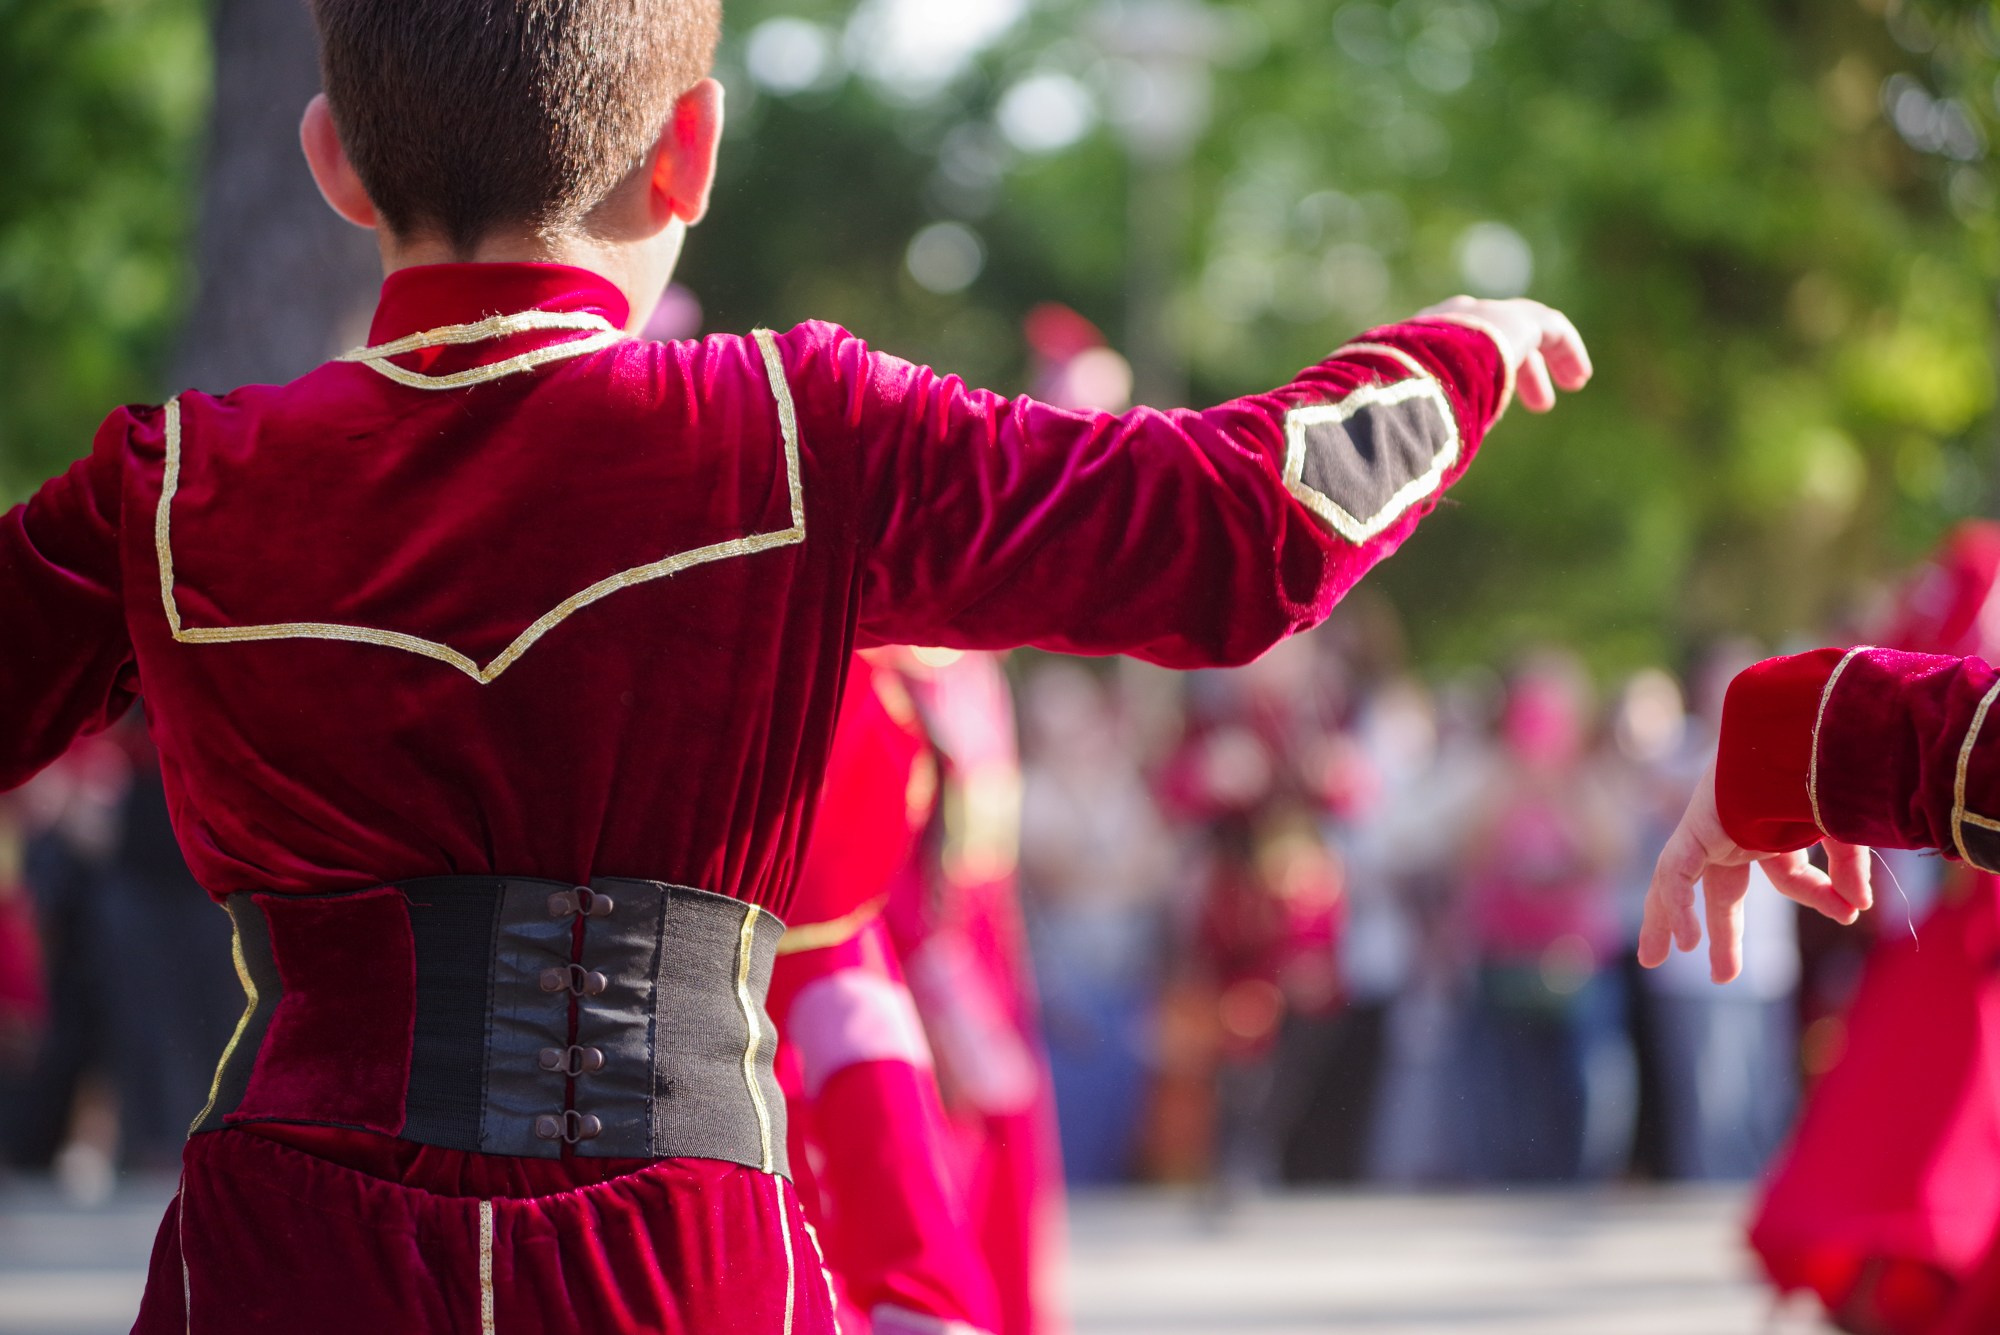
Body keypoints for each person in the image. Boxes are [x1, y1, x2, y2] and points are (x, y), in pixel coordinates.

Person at [0, 0, 1590, 1328]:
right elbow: (1229, 535)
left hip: (282, 1262)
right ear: (691, 151)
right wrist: (1448, 352)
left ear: (333, 163)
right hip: (675, 1257)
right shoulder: (787, 434)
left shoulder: (175, 488)